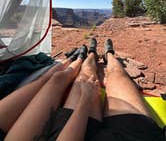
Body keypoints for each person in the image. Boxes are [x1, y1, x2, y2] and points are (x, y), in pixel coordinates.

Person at [1, 38, 165, 141]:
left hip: (69, 131)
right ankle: (109, 55)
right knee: (117, 75)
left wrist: (85, 101)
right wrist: (85, 100)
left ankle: (90, 54)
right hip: (135, 137)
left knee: (86, 75)